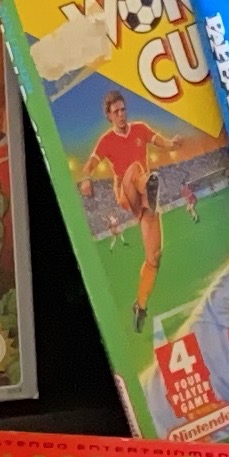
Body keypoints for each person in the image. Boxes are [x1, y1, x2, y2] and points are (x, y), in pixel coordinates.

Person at [87, 88, 179, 326]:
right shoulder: (107, 141)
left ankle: (140, 305)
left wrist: (171, 144)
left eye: (123, 109)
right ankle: (149, 187)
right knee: (135, 168)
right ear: (109, 115)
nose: (121, 114)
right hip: (125, 192)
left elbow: (158, 140)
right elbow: (92, 162)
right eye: (116, 112)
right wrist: (86, 177)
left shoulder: (139, 129)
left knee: (154, 258)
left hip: (143, 201)